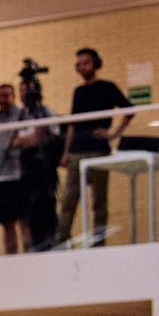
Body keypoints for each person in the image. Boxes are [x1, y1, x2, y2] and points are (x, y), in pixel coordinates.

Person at [58, 47, 134, 246]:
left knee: (99, 201)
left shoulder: (107, 87)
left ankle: (98, 244)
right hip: (76, 150)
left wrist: (113, 133)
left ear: (95, 64)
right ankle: (60, 242)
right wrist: (66, 152)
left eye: (86, 62)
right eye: (79, 64)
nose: (82, 67)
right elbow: (73, 124)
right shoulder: (78, 91)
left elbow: (129, 110)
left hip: (98, 148)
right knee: (69, 200)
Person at [17, 77, 62, 250]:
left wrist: (30, 140)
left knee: (48, 206)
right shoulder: (19, 116)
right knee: (28, 209)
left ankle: (51, 243)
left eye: (28, 89)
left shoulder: (46, 112)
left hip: (45, 167)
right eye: (22, 90)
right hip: (25, 169)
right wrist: (30, 139)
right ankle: (31, 245)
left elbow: (46, 137)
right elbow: (13, 141)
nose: (25, 94)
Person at [0, 83, 32, 254]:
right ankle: (10, 259)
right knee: (7, 223)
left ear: (13, 97)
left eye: (6, 95)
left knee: (24, 221)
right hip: (0, 177)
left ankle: (29, 256)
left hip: (19, 175)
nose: (2, 99)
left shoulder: (22, 116)